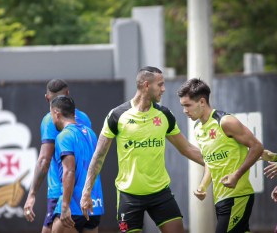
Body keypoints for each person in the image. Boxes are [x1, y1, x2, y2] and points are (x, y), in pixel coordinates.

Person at [80, 66, 204, 233]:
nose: (163, 89)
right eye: (160, 85)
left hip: (160, 193)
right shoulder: (117, 115)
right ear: (146, 85)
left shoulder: (164, 114)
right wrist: (86, 192)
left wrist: (216, 163)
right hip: (129, 196)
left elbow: (187, 148)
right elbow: (99, 156)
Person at [177, 78, 264, 233]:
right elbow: (210, 163)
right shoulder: (198, 128)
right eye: (183, 106)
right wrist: (203, 186)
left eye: (187, 105)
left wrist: (236, 176)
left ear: (202, 102)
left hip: (238, 195)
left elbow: (257, 147)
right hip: (221, 198)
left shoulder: (225, 121)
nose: (184, 111)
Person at [23, 79, 92, 233]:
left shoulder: (50, 120)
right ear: (67, 94)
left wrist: (32, 194)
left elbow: (44, 160)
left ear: (47, 98)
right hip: (87, 193)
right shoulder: (85, 120)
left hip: (61, 192)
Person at [50, 95, 104, 233]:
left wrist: (65, 206)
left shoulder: (64, 136)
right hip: (94, 205)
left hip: (74, 206)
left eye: (51, 114)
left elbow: (69, 171)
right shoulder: (90, 133)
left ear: (56, 113)